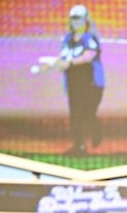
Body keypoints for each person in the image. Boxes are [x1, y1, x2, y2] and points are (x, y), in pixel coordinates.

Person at [40, 5, 106, 156]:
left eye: (79, 18)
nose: (76, 22)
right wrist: (50, 65)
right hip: (74, 84)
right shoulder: (67, 39)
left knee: (87, 113)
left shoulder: (90, 38)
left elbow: (89, 56)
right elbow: (62, 56)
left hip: (92, 83)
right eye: (73, 18)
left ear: (85, 20)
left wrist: (70, 63)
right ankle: (79, 146)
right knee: (76, 114)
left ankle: (96, 131)